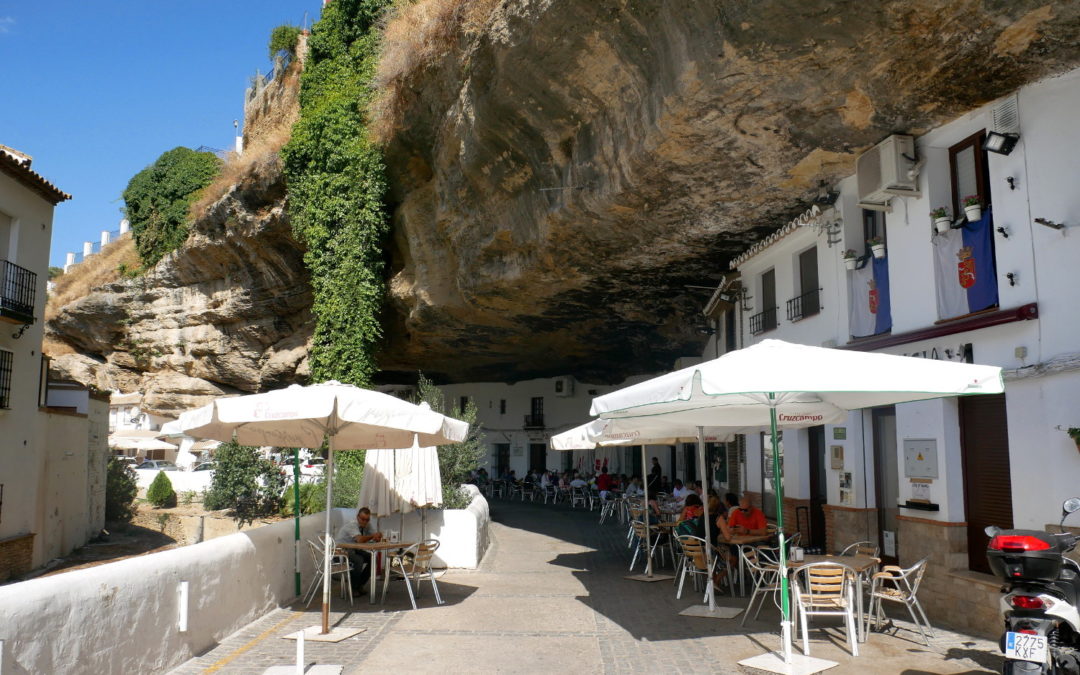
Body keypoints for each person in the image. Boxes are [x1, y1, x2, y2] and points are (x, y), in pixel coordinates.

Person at [335, 507, 383, 593]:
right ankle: (354, 589)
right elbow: (360, 540)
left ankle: (359, 585)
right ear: (358, 517)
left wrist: (378, 535)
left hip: (353, 549)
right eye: (363, 519)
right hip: (340, 552)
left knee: (373, 558)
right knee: (358, 560)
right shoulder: (352, 525)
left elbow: (375, 535)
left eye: (367, 520)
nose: (364, 522)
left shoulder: (367, 524)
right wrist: (373, 536)